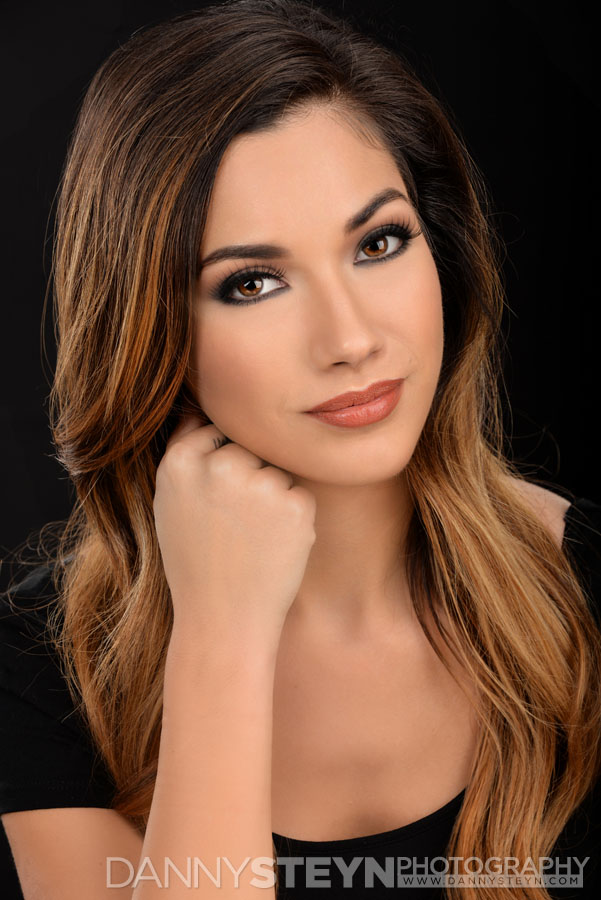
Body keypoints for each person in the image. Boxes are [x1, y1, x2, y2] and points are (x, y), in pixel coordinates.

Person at [1, 0, 600, 897]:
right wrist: (221, 638)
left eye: (378, 243)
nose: (350, 338)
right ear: (152, 327)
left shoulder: (587, 588)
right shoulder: (42, 665)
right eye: (253, 283)